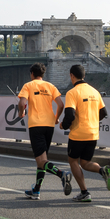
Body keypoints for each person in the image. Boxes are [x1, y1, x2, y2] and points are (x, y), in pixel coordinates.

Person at [59, 65, 110, 202]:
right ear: (84, 75)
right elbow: (103, 113)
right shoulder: (94, 91)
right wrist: (92, 120)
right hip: (93, 133)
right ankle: (102, 170)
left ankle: (84, 192)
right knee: (85, 162)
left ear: (72, 76)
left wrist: (64, 125)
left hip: (78, 133)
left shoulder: (72, 92)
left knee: (73, 160)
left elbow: (70, 115)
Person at [17, 63, 70, 199]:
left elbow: (22, 103)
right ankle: (36, 190)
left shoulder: (28, 85)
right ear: (43, 74)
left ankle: (61, 174)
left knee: (41, 161)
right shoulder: (50, 86)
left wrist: (21, 113)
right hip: (49, 125)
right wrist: (56, 118)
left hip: (36, 125)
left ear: (32, 74)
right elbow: (61, 104)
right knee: (42, 159)